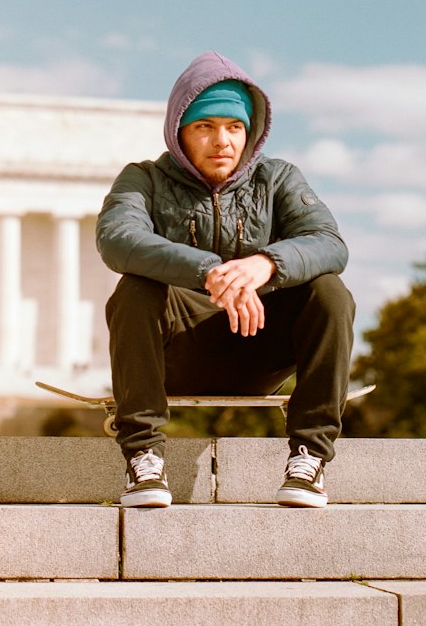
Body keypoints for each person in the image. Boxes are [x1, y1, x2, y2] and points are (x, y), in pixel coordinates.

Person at [95, 51, 355, 509]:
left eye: (234, 127)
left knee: (329, 291)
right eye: (205, 127)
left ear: (249, 132)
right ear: (180, 132)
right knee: (134, 289)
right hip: (177, 351)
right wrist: (208, 269)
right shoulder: (145, 180)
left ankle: (308, 459)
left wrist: (266, 264)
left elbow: (329, 242)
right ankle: (144, 458)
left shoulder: (277, 179)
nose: (222, 141)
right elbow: (117, 238)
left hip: (260, 349)